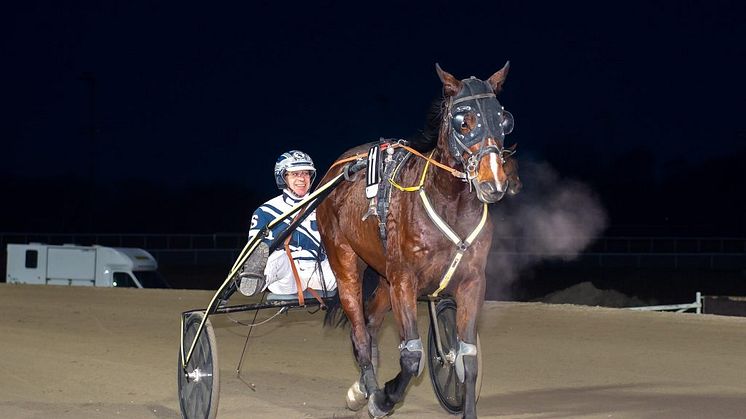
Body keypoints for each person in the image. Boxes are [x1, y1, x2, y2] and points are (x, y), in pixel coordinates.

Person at [234, 150, 337, 297]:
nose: (302, 179)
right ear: (282, 177)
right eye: (295, 174)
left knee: (346, 257)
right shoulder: (265, 211)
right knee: (274, 256)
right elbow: (255, 249)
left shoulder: (324, 207)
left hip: (322, 276)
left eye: (306, 173)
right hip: (287, 278)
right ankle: (256, 279)